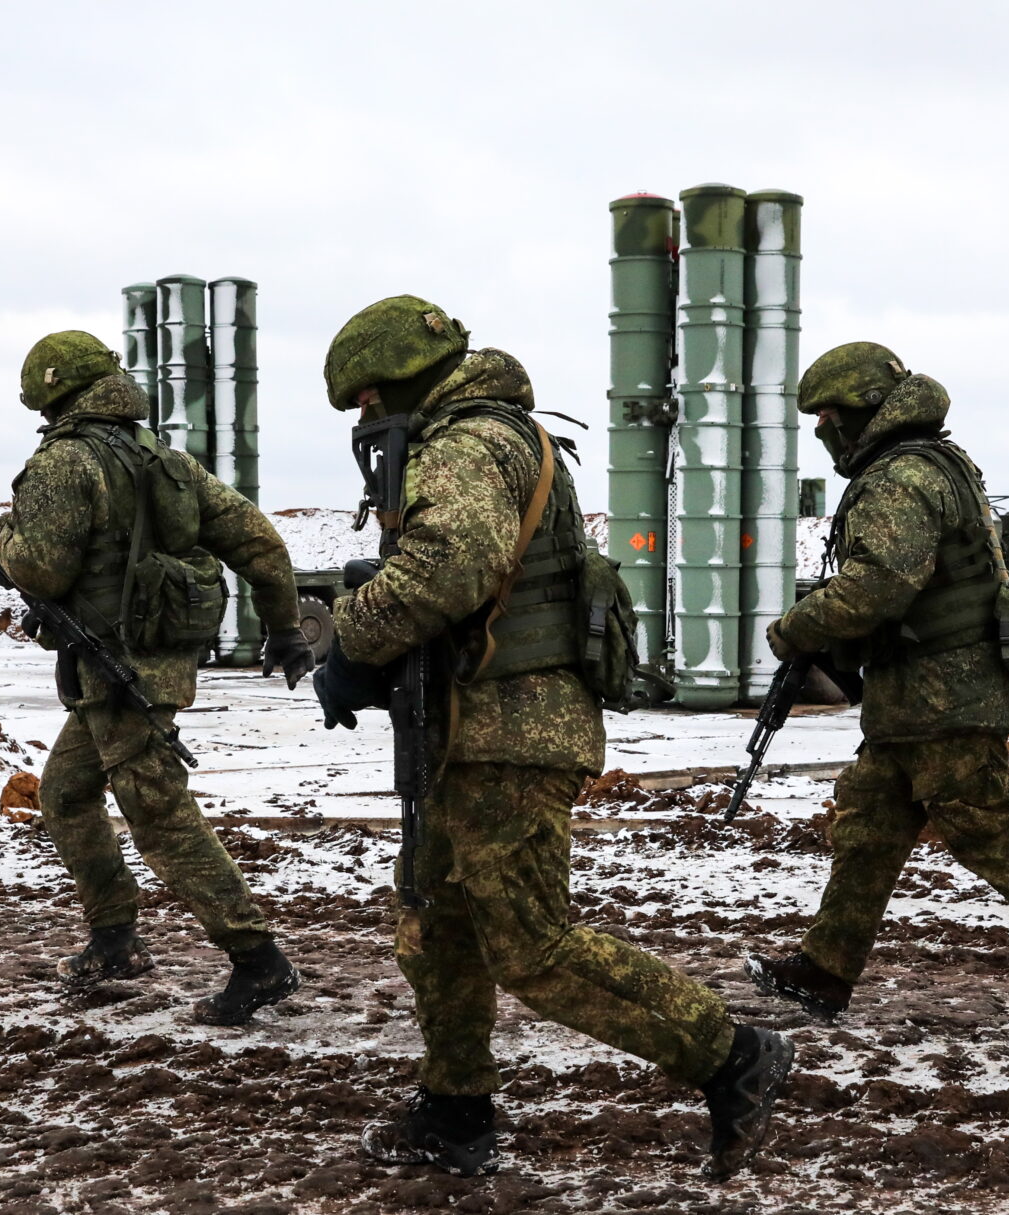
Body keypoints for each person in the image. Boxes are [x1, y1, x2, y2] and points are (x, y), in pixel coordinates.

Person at [312, 296, 791, 1180]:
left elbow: (447, 567)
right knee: (436, 923)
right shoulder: (489, 436)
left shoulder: (465, 442)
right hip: (474, 729)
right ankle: (457, 1108)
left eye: (371, 401)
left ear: (403, 384)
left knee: (532, 944)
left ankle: (731, 1055)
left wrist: (352, 636)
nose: (369, 422)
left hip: (512, 733)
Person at [747, 341, 1009, 1036]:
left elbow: (876, 585)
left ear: (861, 412)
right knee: (870, 825)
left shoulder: (901, 477)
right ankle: (825, 969)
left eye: (827, 414)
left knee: (991, 832)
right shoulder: (930, 464)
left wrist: (797, 626)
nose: (820, 428)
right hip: (917, 699)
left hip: (949, 698)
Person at [0, 330, 315, 1026]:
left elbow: (40, 569)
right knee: (66, 793)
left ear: (52, 393)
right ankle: (113, 938)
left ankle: (257, 959)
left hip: (118, 671)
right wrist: (284, 626)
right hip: (145, 665)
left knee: (161, 817)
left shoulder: (65, 462)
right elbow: (259, 539)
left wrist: (2, 539)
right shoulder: (162, 459)